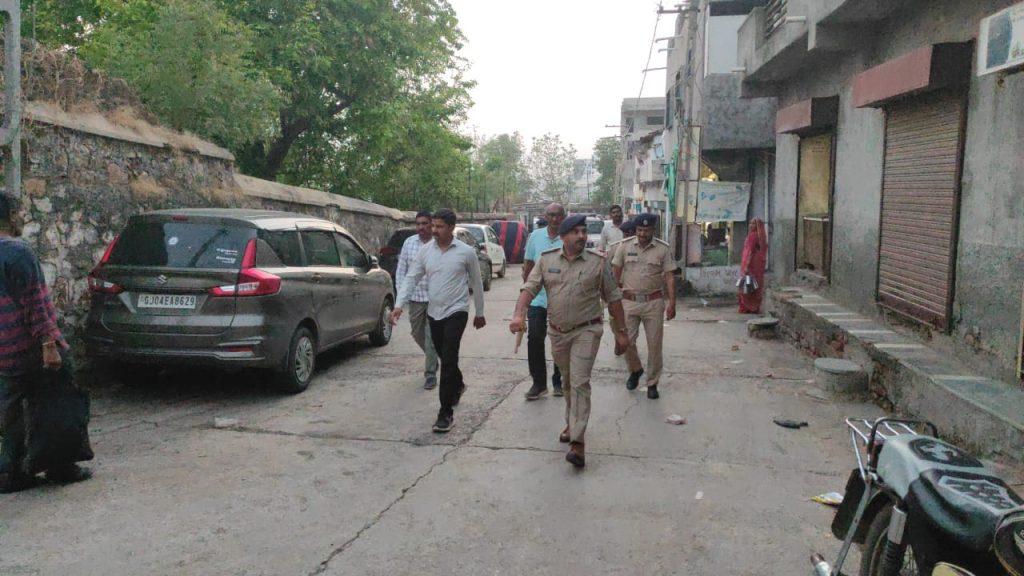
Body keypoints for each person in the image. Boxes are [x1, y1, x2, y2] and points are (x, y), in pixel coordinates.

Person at [510, 214, 630, 468]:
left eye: (584, 231)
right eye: (575, 232)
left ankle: (578, 442)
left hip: (587, 330)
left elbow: (614, 298)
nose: (581, 236)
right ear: (563, 236)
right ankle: (571, 422)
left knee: (579, 382)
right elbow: (529, 288)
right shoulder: (547, 260)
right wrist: (518, 314)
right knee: (566, 382)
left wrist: (621, 332)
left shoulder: (598, 263)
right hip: (558, 332)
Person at [0, 195, 91, 493]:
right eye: (21, 213)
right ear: (10, 215)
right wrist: (49, 344)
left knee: (9, 412)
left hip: (4, 352)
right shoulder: (19, 253)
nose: (23, 218)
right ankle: (60, 465)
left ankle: (10, 473)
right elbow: (36, 304)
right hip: (31, 346)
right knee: (59, 400)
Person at [391, 209, 486, 434]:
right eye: (433, 226)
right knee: (445, 356)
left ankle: (445, 413)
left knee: (449, 357)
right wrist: (398, 305)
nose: (434, 231)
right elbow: (411, 277)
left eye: (439, 226)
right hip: (434, 312)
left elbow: (477, 282)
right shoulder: (425, 251)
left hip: (457, 311)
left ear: (452, 227)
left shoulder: (466, 252)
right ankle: (459, 383)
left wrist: (479, 312)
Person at [612, 213, 677, 400]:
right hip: (628, 302)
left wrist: (672, 303)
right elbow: (615, 274)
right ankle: (635, 369)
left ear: (652, 230)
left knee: (654, 345)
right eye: (639, 230)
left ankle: (652, 383)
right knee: (626, 342)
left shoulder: (662, 249)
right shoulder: (624, 247)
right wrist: (612, 301)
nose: (642, 234)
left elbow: (670, 277)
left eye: (646, 230)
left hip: (653, 303)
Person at [520, 203, 564, 401]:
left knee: (560, 341)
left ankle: (559, 380)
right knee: (535, 339)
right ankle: (538, 383)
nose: (554, 219)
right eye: (551, 215)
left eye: (558, 215)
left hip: (561, 299)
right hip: (538, 299)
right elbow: (528, 265)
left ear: (564, 217)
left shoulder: (568, 237)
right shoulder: (535, 237)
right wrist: (527, 293)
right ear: (546, 216)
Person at [395, 210, 439, 389]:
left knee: (431, 337)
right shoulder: (409, 243)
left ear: (431, 225)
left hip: (435, 299)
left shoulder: (438, 244)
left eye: (424, 224)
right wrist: (400, 299)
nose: (420, 227)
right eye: (418, 224)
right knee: (416, 333)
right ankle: (433, 358)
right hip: (415, 298)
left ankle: (430, 374)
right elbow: (401, 271)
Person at [738, 218, 768, 314]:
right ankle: (754, 307)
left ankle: (747, 307)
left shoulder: (753, 236)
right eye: (750, 223)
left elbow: (750, 251)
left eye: (753, 224)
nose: (751, 225)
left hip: (751, 264)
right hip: (757, 264)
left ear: (758, 226)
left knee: (746, 285)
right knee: (754, 285)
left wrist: (746, 266)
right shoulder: (760, 236)